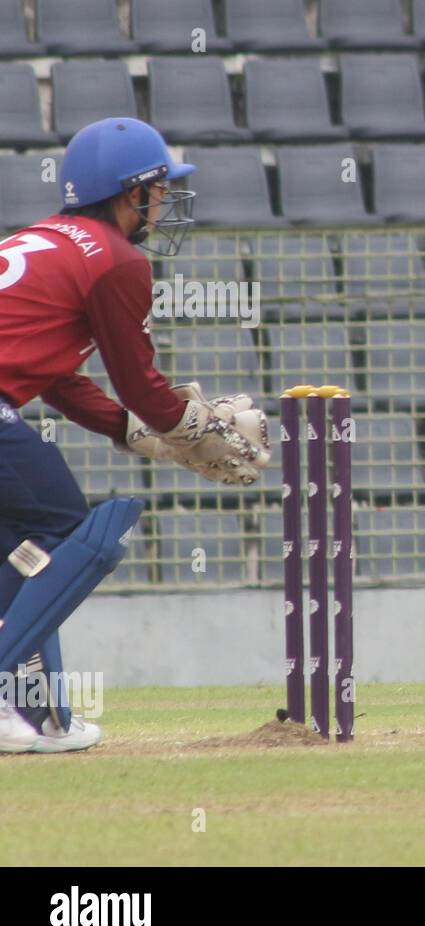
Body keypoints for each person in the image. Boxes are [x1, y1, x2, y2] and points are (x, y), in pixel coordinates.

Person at [0, 117, 270, 754]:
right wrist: (191, 433)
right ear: (132, 191)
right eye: (160, 188)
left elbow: (61, 380)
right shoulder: (116, 261)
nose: (166, 202)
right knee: (63, 521)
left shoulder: (44, 237)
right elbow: (140, 382)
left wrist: (135, 432)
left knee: (21, 540)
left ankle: (29, 714)